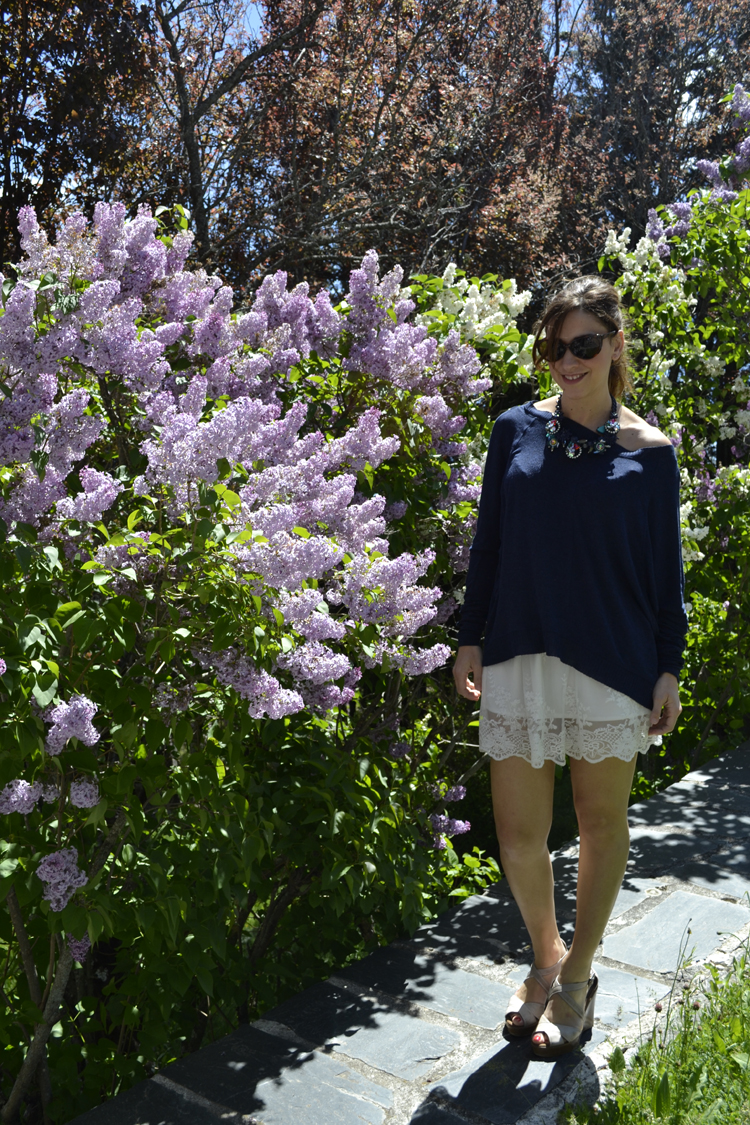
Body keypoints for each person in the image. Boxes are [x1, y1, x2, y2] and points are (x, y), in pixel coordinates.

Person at [452, 275, 687, 1059]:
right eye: (554, 346)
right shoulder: (514, 430)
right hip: (520, 649)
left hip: (613, 660)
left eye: (584, 343)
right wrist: (470, 633)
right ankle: (547, 954)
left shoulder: (652, 453)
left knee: (598, 824)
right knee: (519, 833)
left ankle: (578, 977)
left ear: (616, 344)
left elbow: (665, 573)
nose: (567, 360)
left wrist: (668, 665)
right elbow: (489, 540)